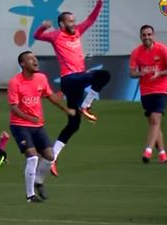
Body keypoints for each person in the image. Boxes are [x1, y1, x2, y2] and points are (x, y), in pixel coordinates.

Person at [34, 0, 111, 176]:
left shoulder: (77, 32)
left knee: (74, 124)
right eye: (70, 21)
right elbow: (37, 36)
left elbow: (91, 20)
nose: (73, 23)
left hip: (78, 81)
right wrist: (43, 27)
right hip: (69, 79)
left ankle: (51, 158)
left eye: (74, 20)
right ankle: (86, 105)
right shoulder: (56, 35)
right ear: (62, 23)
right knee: (103, 75)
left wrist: (99, 3)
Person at [8, 51, 75, 203]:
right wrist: (29, 117)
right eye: (31, 59)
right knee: (32, 158)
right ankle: (30, 196)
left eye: (36, 58)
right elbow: (14, 108)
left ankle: (39, 181)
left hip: (37, 126)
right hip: (20, 126)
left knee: (50, 157)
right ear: (23, 64)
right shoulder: (15, 82)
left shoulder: (41, 78)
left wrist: (66, 110)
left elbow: (50, 96)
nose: (35, 61)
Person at [129, 24, 167, 164]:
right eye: (144, 35)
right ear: (140, 37)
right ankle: (162, 153)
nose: (147, 37)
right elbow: (132, 74)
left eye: (149, 34)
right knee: (153, 123)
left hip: (162, 88)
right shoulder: (136, 52)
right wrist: (140, 73)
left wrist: (160, 73)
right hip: (145, 90)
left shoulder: (162, 49)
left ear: (153, 35)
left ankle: (148, 151)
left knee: (156, 118)